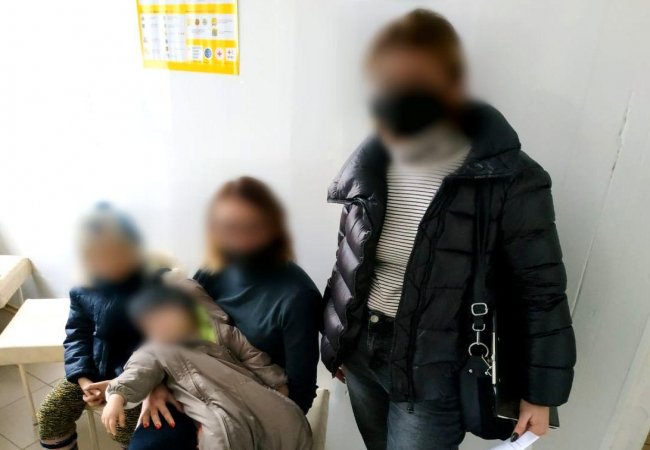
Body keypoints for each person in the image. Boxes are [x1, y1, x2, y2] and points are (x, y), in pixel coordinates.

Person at [320, 9, 577, 450]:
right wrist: (338, 341)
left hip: (434, 372)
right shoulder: (372, 160)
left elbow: (540, 292)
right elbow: (350, 260)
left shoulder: (510, 177)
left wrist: (540, 394)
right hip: (362, 351)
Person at [129, 176, 321, 449]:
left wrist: (238, 427)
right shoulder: (213, 270)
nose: (238, 237)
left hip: (254, 407)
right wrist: (154, 387)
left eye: (251, 225)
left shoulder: (298, 296)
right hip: (193, 390)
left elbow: (301, 394)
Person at [102, 283, 312, 450]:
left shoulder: (219, 332)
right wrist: (117, 396)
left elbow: (254, 357)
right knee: (224, 435)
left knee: (287, 418)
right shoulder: (156, 349)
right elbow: (138, 370)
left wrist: (276, 384)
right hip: (211, 403)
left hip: (248, 389)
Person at [37, 204, 154, 449]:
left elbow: (157, 350)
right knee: (50, 415)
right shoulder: (82, 289)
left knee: (125, 429)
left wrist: (117, 386)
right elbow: (76, 335)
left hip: (133, 379)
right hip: (91, 372)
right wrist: (84, 381)